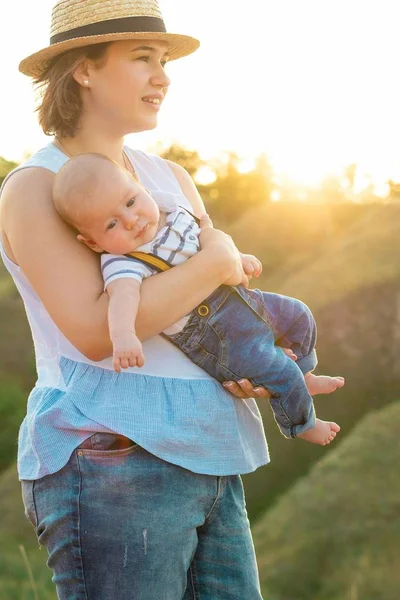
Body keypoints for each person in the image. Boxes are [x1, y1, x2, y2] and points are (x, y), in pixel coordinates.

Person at [0, 1, 339, 598]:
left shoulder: (170, 177)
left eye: (163, 60)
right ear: (83, 68)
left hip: (210, 450)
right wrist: (214, 258)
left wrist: (242, 365)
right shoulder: (37, 186)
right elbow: (96, 332)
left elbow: (220, 297)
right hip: (112, 455)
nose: (164, 76)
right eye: (142, 59)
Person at [53, 152, 344, 445]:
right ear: (92, 242)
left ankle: (305, 375)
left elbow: (207, 240)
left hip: (243, 298)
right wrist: (124, 334)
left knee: (299, 315)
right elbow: (123, 297)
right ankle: (302, 424)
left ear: (140, 186)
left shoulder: (173, 211)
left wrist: (237, 256)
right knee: (278, 370)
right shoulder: (122, 261)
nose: (131, 220)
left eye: (130, 202)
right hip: (215, 336)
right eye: (111, 224)